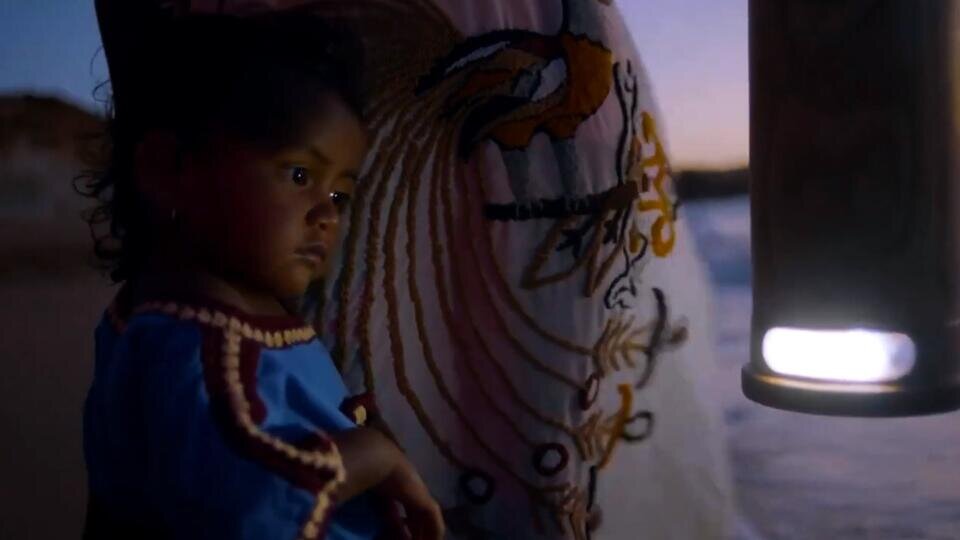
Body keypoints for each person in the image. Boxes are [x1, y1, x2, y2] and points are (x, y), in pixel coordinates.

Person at [79, 5, 444, 539]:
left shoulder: (204, 320)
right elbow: (248, 508)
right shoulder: (199, 353)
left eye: (339, 195)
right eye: (299, 174)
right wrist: (371, 456)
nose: (327, 216)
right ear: (168, 170)